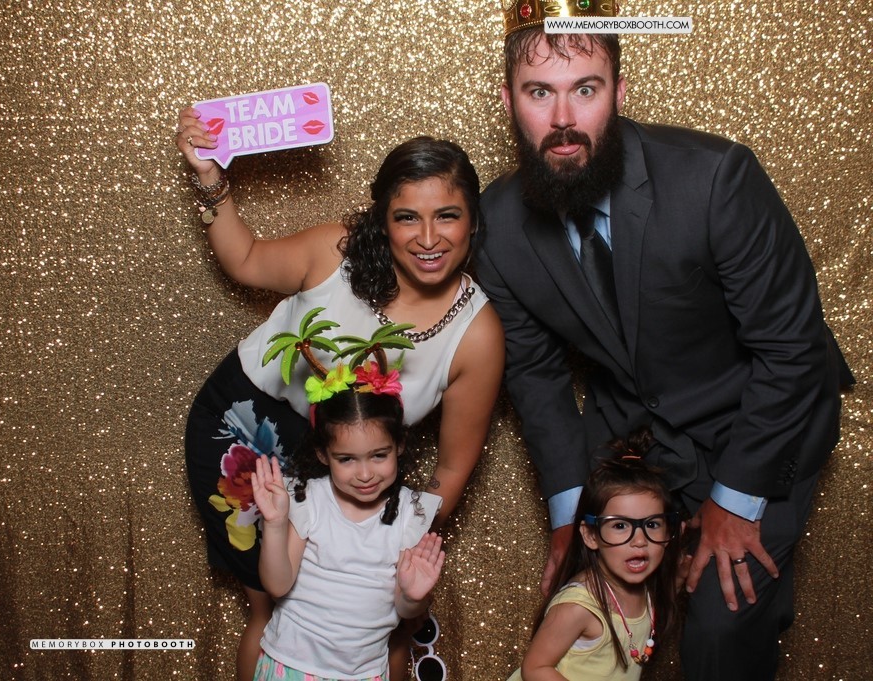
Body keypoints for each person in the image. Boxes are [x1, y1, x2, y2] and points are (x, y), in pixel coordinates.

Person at [475, 10, 854, 680]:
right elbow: (535, 377)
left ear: (619, 92)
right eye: (539, 92)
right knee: (588, 617)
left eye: (585, 89)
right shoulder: (496, 225)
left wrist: (735, 500)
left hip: (762, 420)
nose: (563, 118)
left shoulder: (715, 179)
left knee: (719, 625)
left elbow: (791, 349)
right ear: (509, 101)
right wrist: (571, 515)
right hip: (637, 436)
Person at [175, 113, 504, 680]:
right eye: (407, 217)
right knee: (272, 603)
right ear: (383, 220)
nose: (428, 239)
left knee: (386, 621)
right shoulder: (336, 252)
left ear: (473, 221)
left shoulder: (478, 334)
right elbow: (245, 260)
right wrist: (210, 177)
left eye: (448, 216)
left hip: (356, 459)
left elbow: (451, 468)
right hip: (246, 428)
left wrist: (398, 538)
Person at [251, 368, 445, 680]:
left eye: (379, 455)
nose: (365, 474)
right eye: (346, 459)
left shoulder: (411, 513)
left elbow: (404, 609)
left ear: (399, 445)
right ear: (323, 454)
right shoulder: (307, 498)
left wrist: (412, 598)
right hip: (290, 665)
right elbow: (277, 586)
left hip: (364, 673)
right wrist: (275, 524)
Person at [507, 430, 683, 681]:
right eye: (620, 526)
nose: (639, 541)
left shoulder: (648, 589)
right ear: (590, 536)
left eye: (652, 524)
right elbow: (535, 668)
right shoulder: (578, 606)